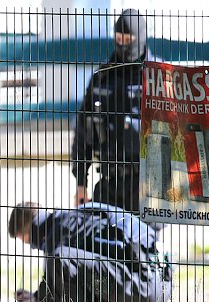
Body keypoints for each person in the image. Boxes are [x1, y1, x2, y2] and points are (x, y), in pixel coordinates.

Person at [7, 201, 173, 302]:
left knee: (62, 260)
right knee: (88, 285)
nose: (29, 245)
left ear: (29, 229)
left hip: (145, 284)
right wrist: (37, 297)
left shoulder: (60, 230)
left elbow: (57, 277)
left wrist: (37, 299)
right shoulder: (74, 219)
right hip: (160, 282)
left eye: (24, 239)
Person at [71, 9, 152, 213]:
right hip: (109, 183)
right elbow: (83, 132)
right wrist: (81, 183)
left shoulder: (156, 78)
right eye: (118, 39)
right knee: (104, 243)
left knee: (142, 244)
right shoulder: (102, 78)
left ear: (140, 38)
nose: (123, 45)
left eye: (128, 39)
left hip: (146, 185)